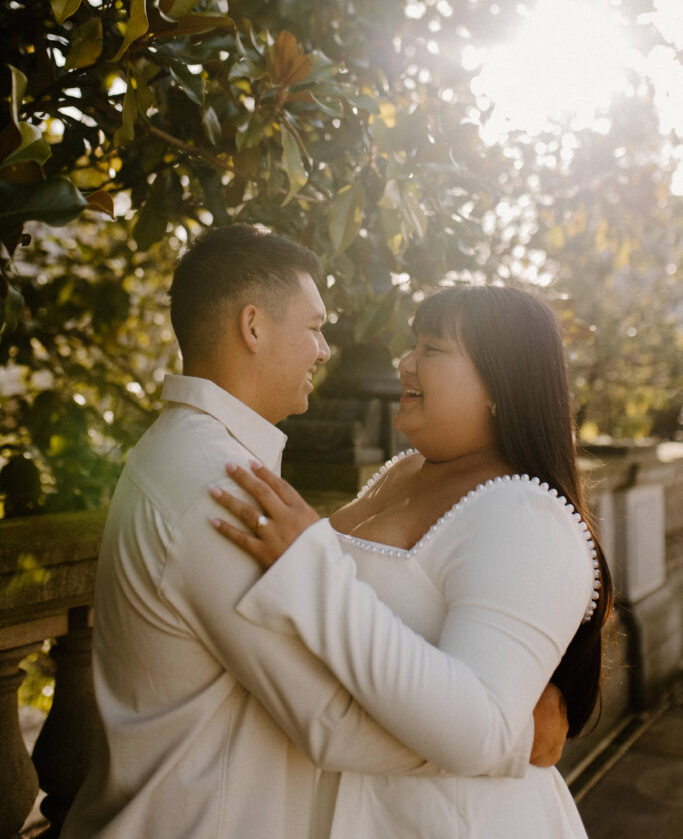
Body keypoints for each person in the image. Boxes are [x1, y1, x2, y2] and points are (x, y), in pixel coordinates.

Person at [61, 229, 564, 839]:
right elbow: (331, 720)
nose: (326, 350)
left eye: (430, 348)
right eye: (315, 326)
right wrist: (513, 735)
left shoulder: (196, 458)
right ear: (253, 327)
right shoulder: (219, 488)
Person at [209, 284, 613, 838]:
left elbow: (476, 731)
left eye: (433, 349)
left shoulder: (525, 515)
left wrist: (310, 567)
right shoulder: (402, 471)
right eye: (413, 345)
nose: (405, 363)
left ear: (501, 384)